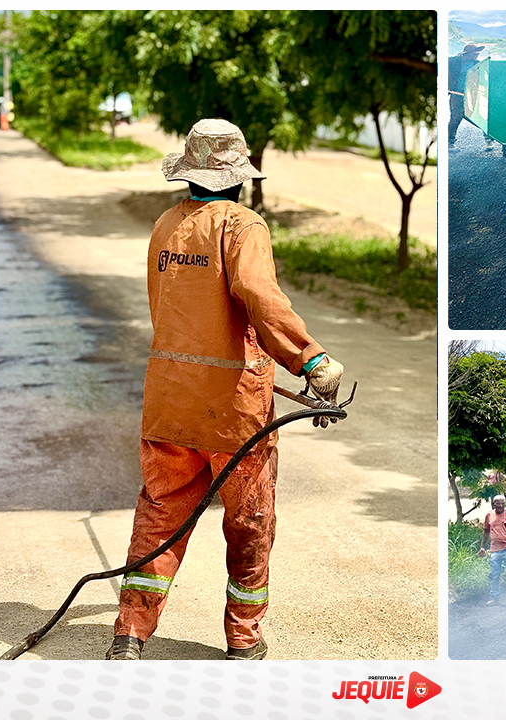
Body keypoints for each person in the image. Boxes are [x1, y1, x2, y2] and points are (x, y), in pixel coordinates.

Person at [106, 118, 344, 661]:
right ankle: (243, 640)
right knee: (249, 522)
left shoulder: (166, 225)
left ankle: (129, 635)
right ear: (238, 177)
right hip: (232, 413)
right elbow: (260, 298)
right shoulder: (242, 226)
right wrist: (311, 360)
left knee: (160, 514)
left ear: (189, 175)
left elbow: (170, 312)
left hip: (168, 401)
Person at [479, 495, 506, 605]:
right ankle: (494, 598)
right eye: (498, 503)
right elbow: (486, 531)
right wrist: (483, 546)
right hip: (495, 550)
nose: (501, 505)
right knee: (494, 574)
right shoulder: (489, 515)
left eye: (503, 503)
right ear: (493, 504)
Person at [447, 43, 483, 146]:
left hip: (472, 95)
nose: (477, 55)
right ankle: (450, 141)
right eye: (475, 53)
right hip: (457, 94)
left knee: (479, 117)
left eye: (478, 53)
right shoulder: (453, 62)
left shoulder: (477, 64)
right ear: (466, 54)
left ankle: (489, 138)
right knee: (456, 117)